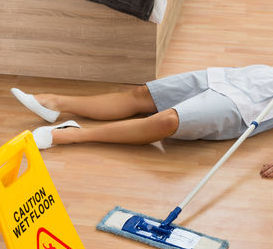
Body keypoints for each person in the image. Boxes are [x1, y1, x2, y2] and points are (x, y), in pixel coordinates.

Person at [11, 65, 273, 178]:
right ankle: (58, 104)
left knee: (166, 121)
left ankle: (72, 134)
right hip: (248, 77)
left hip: (250, 106)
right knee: (143, 94)